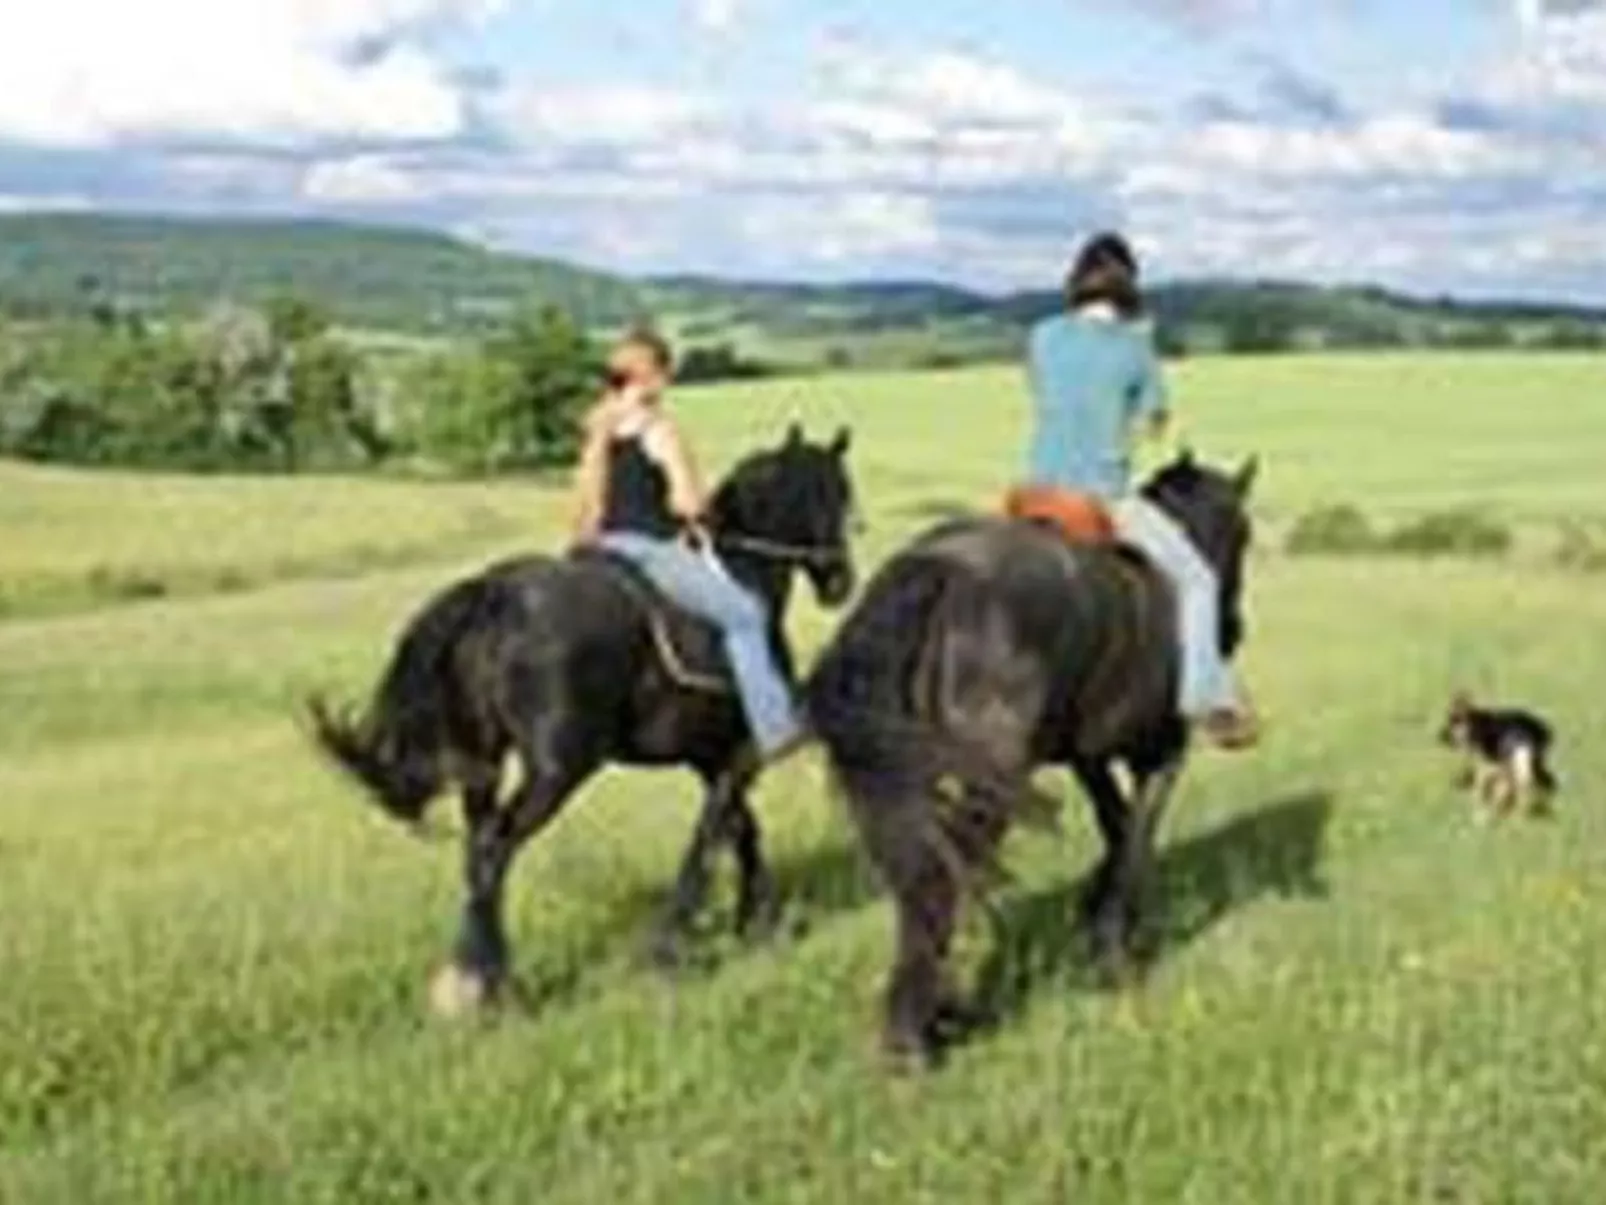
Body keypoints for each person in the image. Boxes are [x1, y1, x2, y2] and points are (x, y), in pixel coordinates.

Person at [1024, 232, 1258, 750]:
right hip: (1099, 498)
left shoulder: (1042, 335)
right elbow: (1154, 424)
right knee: (1198, 580)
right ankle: (1204, 695)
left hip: (1033, 495)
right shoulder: (1135, 348)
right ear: (1129, 286)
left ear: (1077, 281)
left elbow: (1043, 393)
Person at [572, 327, 807, 763]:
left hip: (597, 549)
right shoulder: (658, 429)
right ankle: (777, 728)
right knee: (745, 614)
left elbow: (586, 500)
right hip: (648, 548)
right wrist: (699, 507)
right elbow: (686, 503)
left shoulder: (595, 428)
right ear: (657, 377)